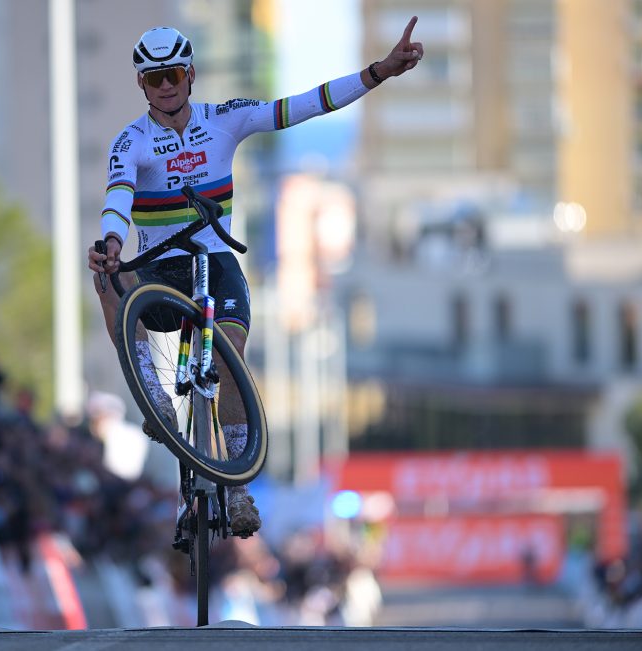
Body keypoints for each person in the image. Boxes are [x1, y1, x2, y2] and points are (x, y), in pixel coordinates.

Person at [87, 19, 424, 536]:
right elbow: (118, 196)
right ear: (142, 85)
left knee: (229, 355)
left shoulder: (224, 119)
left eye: (175, 73)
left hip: (216, 262)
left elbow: (302, 106)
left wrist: (379, 72)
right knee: (105, 280)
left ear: (192, 74)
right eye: (155, 79)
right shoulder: (130, 141)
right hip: (159, 266)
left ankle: (238, 487)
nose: (167, 86)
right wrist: (111, 244)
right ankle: (154, 398)